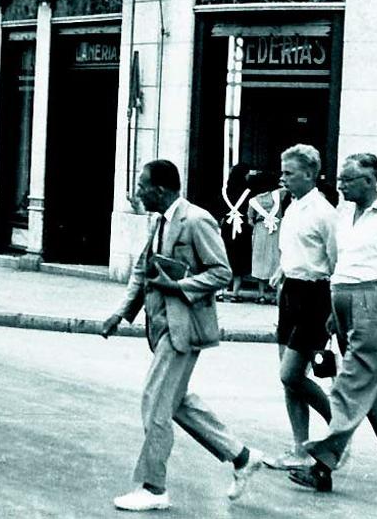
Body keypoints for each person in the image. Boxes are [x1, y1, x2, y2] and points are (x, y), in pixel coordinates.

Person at [101, 160, 264, 511]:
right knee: (176, 403)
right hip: (161, 328)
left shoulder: (196, 220)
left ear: (160, 189)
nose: (138, 191)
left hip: (183, 328)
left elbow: (222, 272)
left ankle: (153, 487)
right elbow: (143, 272)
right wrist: (120, 313)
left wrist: (179, 286)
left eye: (142, 185)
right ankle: (242, 457)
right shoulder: (160, 221)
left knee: (154, 404)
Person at [290, 152, 377, 493]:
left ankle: (323, 462)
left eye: (347, 180)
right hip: (344, 299)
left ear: (369, 181)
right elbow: (344, 264)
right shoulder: (343, 215)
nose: (340, 185)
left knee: (351, 382)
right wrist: (333, 312)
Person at [264, 144, 338, 470]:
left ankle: (338, 433)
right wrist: (282, 269)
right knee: (288, 380)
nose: (283, 179)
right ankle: (299, 449)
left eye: (289, 173)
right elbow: (295, 249)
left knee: (291, 373)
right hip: (290, 292)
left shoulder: (324, 213)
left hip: (316, 296)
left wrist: (336, 309)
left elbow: (336, 262)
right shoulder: (292, 207)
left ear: (309, 174)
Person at [245, 169, 282, 304]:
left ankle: (261, 294)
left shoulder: (253, 201)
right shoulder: (279, 195)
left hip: (261, 230)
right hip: (277, 229)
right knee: (277, 260)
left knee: (260, 261)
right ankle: (278, 294)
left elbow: (250, 220)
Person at [220, 163, 252, 301]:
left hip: (227, 226)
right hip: (242, 227)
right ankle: (235, 293)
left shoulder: (224, 191)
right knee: (239, 258)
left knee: (226, 255)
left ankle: (221, 291)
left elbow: (220, 210)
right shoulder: (248, 191)